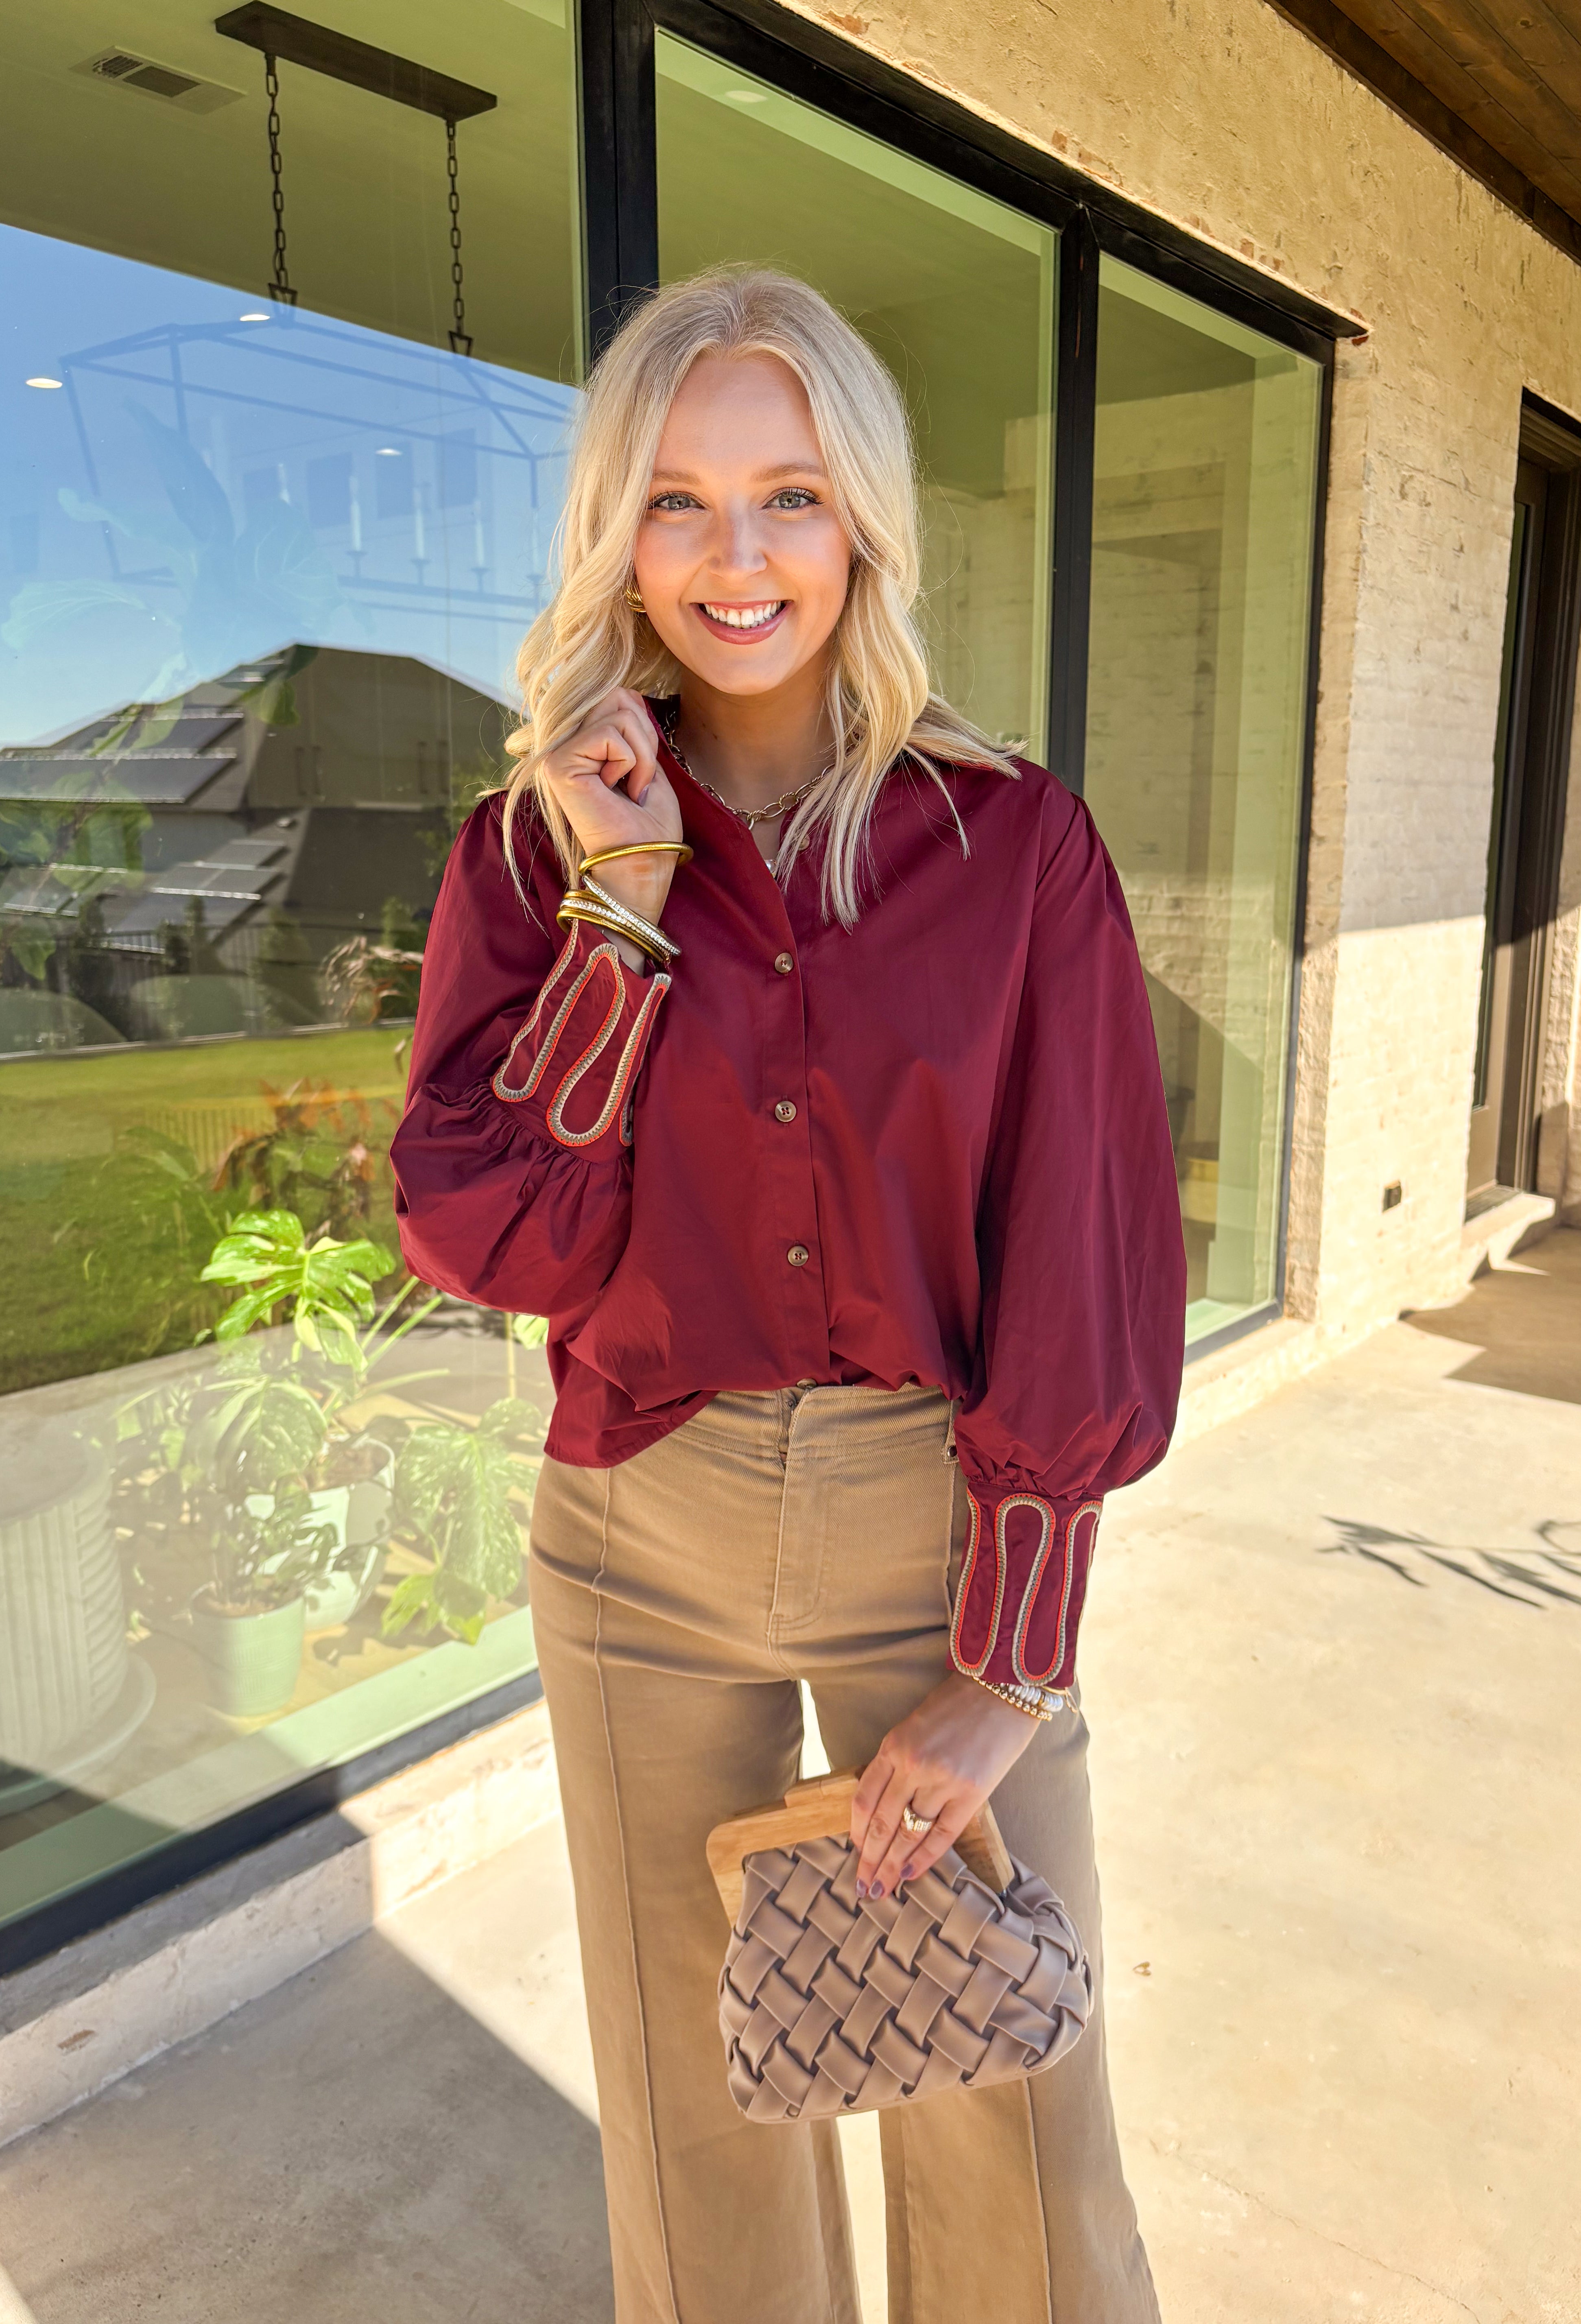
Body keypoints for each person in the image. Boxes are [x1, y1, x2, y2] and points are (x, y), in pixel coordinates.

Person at [391, 266, 1186, 2324]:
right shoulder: (530, 853)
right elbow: (498, 1238)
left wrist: (1007, 1668)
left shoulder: (1015, 851)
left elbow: (1084, 1252)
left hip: (942, 1525)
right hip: (636, 1545)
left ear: (865, 524)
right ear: (616, 537)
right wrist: (626, 915)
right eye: (677, 503)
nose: (736, 559)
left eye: (790, 498)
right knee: (697, 2120)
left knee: (1010, 2104)